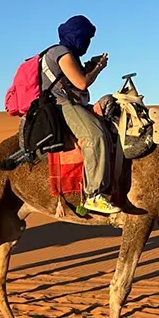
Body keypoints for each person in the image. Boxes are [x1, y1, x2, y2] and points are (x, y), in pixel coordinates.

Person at [41, 15, 120, 215]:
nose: (88, 43)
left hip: (71, 103)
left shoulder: (69, 54)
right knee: (96, 136)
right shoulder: (61, 52)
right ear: (77, 35)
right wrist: (98, 69)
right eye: (86, 38)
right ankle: (94, 194)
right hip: (60, 105)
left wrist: (89, 67)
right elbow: (81, 83)